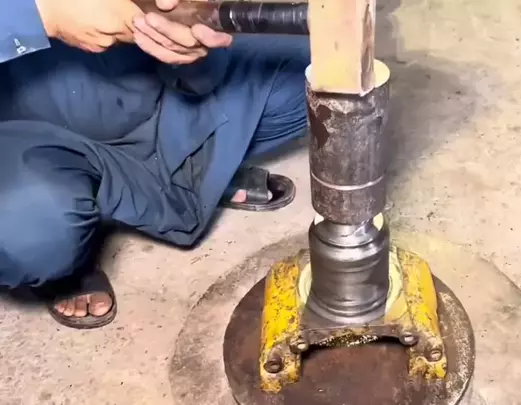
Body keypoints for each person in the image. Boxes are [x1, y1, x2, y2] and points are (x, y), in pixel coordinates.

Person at [0, 0, 309, 329]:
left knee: (323, 75)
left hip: (157, 105)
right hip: (27, 140)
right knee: (35, 235)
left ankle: (193, 177)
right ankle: (73, 244)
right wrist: (43, 14)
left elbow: (194, 58)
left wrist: (188, 47)